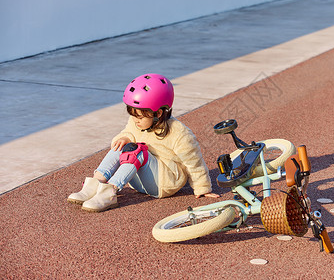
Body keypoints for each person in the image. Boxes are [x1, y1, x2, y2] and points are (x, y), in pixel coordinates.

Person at [67, 73, 220, 212]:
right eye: (133, 115)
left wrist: (202, 188)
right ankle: (95, 184)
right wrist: (124, 138)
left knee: (137, 150)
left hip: (164, 183)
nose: (135, 121)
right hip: (139, 181)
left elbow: (194, 163)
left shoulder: (179, 133)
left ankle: (109, 193)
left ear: (158, 113)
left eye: (139, 117)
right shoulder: (136, 122)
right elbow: (128, 132)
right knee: (122, 144)